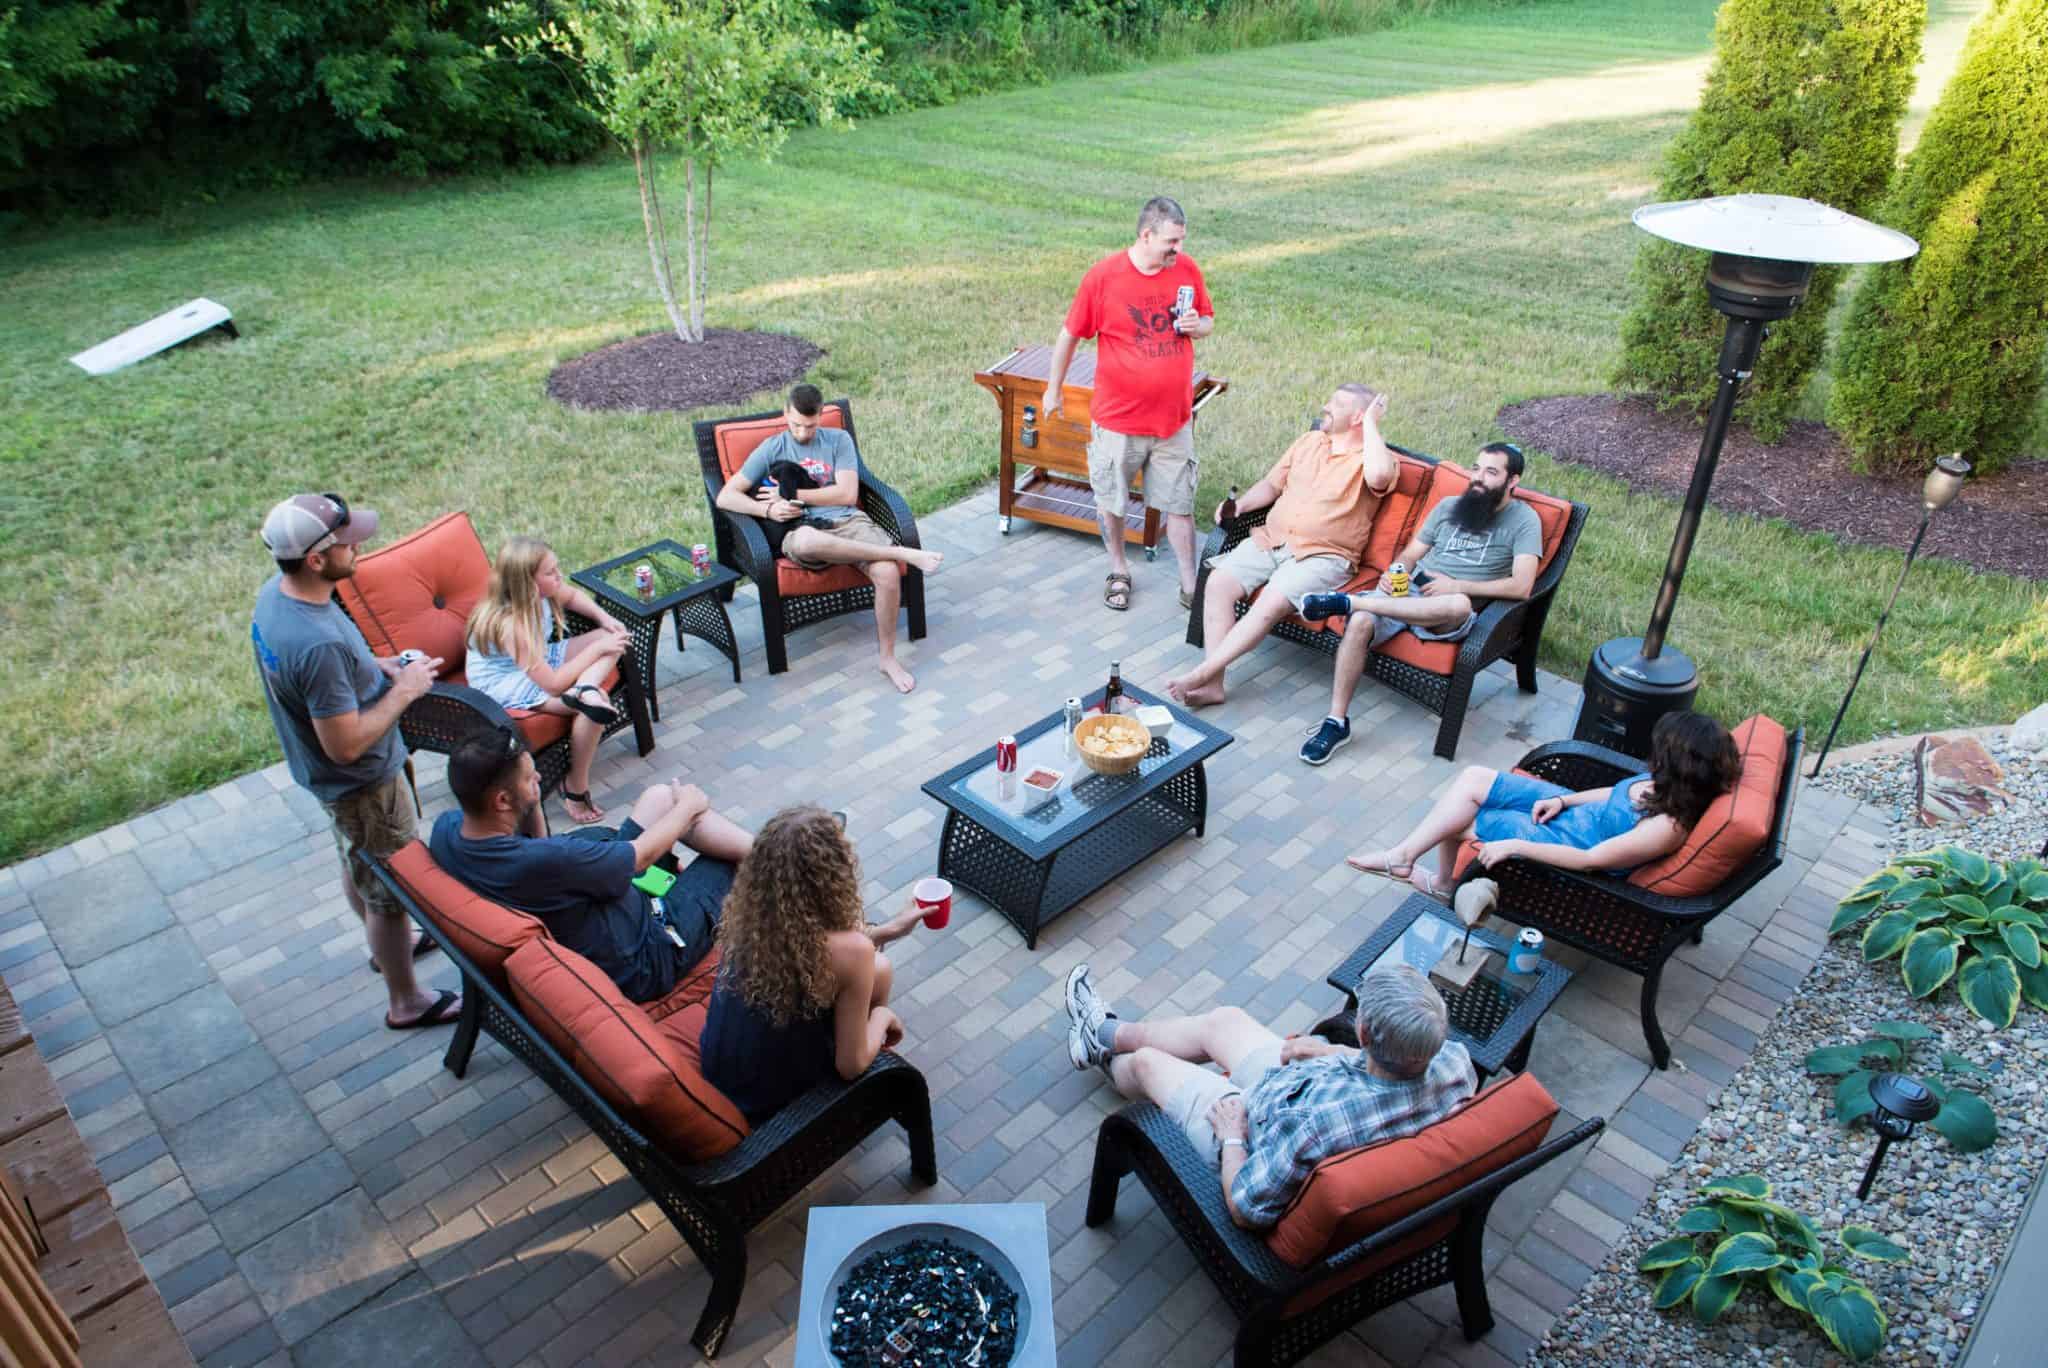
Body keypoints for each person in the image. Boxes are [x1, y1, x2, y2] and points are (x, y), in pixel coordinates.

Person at [250, 493, 461, 1032]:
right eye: (346, 543)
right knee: (393, 891)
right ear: (316, 559)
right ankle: (406, 1001)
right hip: (362, 783)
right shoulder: (314, 643)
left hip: (332, 785)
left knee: (360, 865)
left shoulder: (277, 598)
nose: (358, 545)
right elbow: (344, 745)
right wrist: (406, 691)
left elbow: (326, 679)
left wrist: (378, 668)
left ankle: (385, 945)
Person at [1062, 962, 1474, 1231]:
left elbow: (1246, 1207)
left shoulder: (1317, 1130)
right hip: (1304, 1086)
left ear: (1364, 1032)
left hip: (1250, 1125)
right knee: (1224, 1021)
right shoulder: (1455, 1063)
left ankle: (1103, 1056)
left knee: (1148, 1064)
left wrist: (1231, 1136)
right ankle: (1108, 1032)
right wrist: (1335, 1051)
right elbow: (1395, 1070)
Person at [429, 724, 754, 1005]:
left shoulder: (448, 832)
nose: (539, 778)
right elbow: (639, 856)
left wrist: (530, 801)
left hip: (608, 911)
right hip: (648, 952)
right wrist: (688, 807)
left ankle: (774, 852)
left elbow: (540, 853)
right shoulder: (548, 862)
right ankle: (782, 861)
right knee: (729, 861)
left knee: (659, 798)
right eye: (530, 778)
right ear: (501, 801)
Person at [1295, 442, 1544, 766]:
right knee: (1359, 623)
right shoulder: (1450, 506)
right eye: (1477, 468)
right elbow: (1411, 555)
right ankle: (1336, 722)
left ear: (1513, 481)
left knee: (1457, 605)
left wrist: (1457, 585)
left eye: (1491, 472)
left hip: (1446, 610)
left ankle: (1351, 603)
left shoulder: (1525, 520)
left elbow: (1522, 585)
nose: (1479, 478)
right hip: (1407, 594)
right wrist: (1395, 572)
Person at [1163, 385, 1398, 708]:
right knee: (1218, 584)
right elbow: (1272, 484)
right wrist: (1241, 505)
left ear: (1358, 416)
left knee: (1270, 602)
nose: (1325, 406)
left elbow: (1381, 476)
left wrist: (1372, 423)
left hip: (1322, 554)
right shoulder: (1309, 441)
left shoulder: (1373, 459)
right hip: (1272, 538)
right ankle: (1213, 685)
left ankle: (1203, 672)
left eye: (1336, 403)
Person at [1345, 710, 1742, 897]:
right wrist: (1563, 798)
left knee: (1464, 816)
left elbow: (1594, 860)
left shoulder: (1666, 827)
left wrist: (1517, 845)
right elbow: (1614, 793)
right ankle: (1409, 860)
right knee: (1474, 779)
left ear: (1678, 765)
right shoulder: (1663, 783)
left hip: (1570, 845)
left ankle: (1436, 879)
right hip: (1573, 815)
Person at [699, 806, 926, 1125]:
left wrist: (889, 930)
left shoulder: (750, 917)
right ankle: (869, 1085)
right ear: (833, 877)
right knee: (880, 970)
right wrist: (881, 1017)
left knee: (877, 967)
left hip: (722, 1070)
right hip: (772, 1104)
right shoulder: (851, 951)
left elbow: (814, 950)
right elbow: (850, 1064)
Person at [1042, 196, 1215, 613]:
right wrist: (1053, 389)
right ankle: (1118, 569)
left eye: (1181, 241)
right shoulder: (1103, 278)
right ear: (1146, 235)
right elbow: (1070, 335)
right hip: (1119, 421)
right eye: (1171, 241)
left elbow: (1208, 320)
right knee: (1112, 501)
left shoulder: (1186, 269)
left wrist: (1199, 327)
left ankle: (1190, 584)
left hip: (1173, 421)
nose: (1178, 249)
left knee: (1180, 505)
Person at [714, 384, 943, 694]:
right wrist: (767, 509)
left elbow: (847, 494)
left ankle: (887, 658)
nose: (802, 432)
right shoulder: (772, 448)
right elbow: (726, 497)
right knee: (808, 541)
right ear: (786, 414)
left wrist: (792, 493)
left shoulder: (838, 440)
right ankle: (902, 552)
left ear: (820, 417)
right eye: (795, 424)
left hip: (847, 519)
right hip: (801, 529)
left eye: (809, 426)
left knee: (887, 573)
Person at [464, 536, 631, 824]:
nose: (559, 576)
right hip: (507, 682)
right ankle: (575, 787)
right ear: (527, 583)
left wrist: (603, 619)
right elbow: (552, 684)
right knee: (594, 708)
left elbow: (573, 596)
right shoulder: (510, 625)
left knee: (610, 638)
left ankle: (585, 689)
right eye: (551, 573)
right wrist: (596, 650)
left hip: (537, 658)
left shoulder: (543, 592)